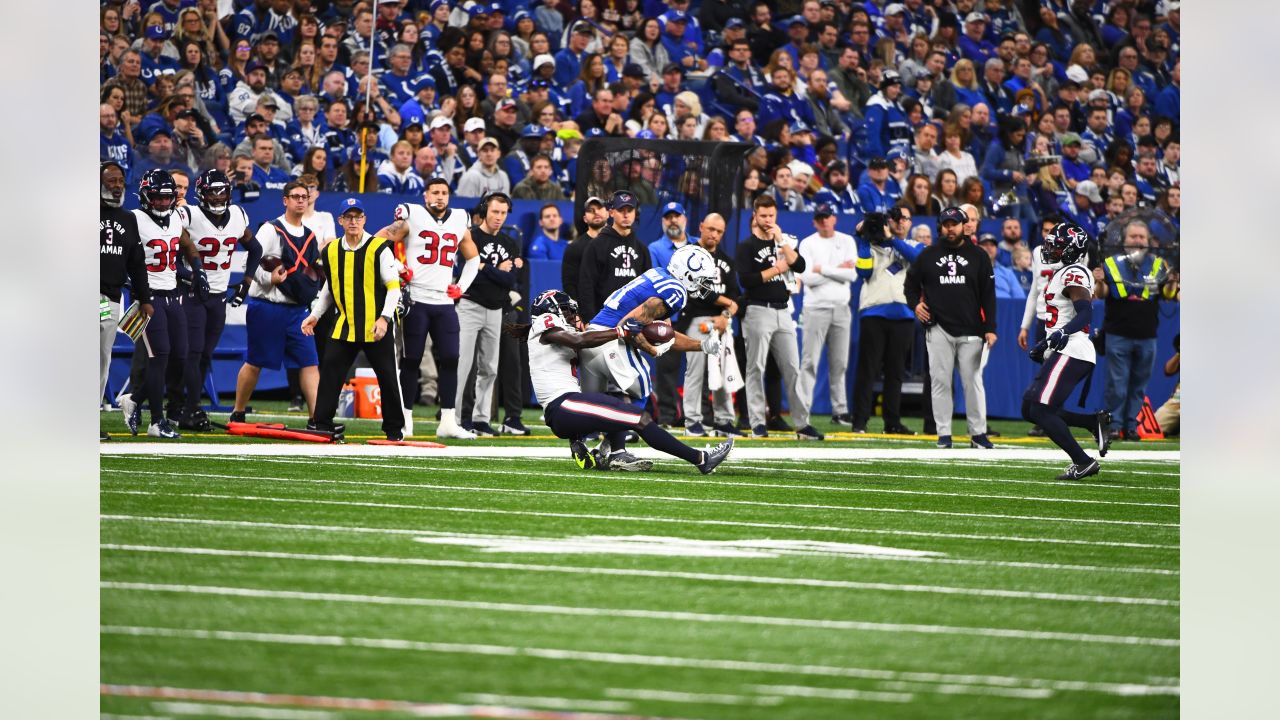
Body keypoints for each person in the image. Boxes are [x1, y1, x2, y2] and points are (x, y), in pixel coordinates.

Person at [511, 289, 733, 474]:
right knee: (640, 419)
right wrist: (619, 331)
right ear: (552, 311)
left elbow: (586, 346)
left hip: (570, 407)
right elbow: (579, 339)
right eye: (568, 311)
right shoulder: (544, 322)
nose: (573, 315)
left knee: (619, 400)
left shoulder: (553, 333)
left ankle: (609, 451)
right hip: (563, 406)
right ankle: (701, 459)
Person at [375, 178, 483, 440]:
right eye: (435, 192)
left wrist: (463, 284)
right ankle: (405, 420)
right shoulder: (412, 216)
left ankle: (447, 421)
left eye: (444, 192)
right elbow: (378, 241)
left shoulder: (459, 218)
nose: (440, 197)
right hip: (417, 300)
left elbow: (473, 257)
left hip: (444, 302)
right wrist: (399, 268)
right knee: (411, 360)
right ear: (425, 196)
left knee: (451, 359)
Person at [301, 198, 406, 440]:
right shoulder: (331, 250)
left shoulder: (379, 248)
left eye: (358, 217)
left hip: (374, 326)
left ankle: (394, 430)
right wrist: (315, 315)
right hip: (345, 325)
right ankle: (322, 423)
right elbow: (330, 286)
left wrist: (384, 319)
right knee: (330, 374)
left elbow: (393, 288)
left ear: (365, 220)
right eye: (348, 217)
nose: (353, 221)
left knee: (388, 377)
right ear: (340, 221)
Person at [169, 170, 262, 432]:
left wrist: (246, 283)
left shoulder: (237, 215)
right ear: (202, 193)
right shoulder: (188, 214)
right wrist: (188, 275)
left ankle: (185, 406)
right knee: (193, 351)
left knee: (204, 354)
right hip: (191, 293)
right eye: (213, 191)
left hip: (218, 295)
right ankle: (189, 407)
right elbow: (171, 250)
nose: (219, 196)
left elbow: (255, 249)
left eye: (222, 191)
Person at [119, 169, 206, 439]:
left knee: (180, 356)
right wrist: (130, 284)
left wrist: (197, 270)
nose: (163, 203)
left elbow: (187, 246)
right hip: (149, 298)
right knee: (160, 357)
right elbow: (121, 256)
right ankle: (157, 421)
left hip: (173, 294)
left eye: (167, 198)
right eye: (157, 198)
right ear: (146, 196)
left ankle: (134, 398)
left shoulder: (176, 217)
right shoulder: (134, 218)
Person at [1022, 222, 1113, 479]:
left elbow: (1085, 312)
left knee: (1040, 410)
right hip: (1063, 348)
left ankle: (1083, 461)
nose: (1050, 248)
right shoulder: (1060, 273)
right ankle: (1091, 422)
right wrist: (1045, 344)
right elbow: (1059, 319)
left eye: (1057, 245)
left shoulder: (1074, 272)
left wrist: (1062, 333)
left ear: (1072, 250)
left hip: (1073, 349)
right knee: (1029, 409)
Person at [228, 181, 321, 425]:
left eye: (304, 196)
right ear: (285, 200)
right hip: (267, 306)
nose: (301, 200)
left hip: (297, 309)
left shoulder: (311, 236)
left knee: (310, 362)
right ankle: (238, 411)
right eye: (295, 196)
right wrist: (268, 278)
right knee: (255, 361)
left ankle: (316, 418)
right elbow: (251, 260)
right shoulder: (270, 229)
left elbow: (314, 272)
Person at [905, 206, 997, 449]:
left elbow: (988, 295)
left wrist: (991, 328)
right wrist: (915, 305)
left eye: (954, 223)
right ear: (940, 226)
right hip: (938, 328)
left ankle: (978, 433)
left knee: (973, 382)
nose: (950, 228)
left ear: (963, 225)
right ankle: (943, 434)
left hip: (972, 328)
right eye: (946, 224)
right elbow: (910, 286)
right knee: (940, 382)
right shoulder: (927, 255)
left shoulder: (979, 255)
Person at [736, 195, 820, 440]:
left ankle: (802, 424)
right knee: (755, 368)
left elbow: (801, 265)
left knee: (793, 368)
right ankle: (757, 423)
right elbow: (746, 281)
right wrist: (777, 269)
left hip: (783, 310)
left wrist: (781, 240)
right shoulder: (747, 246)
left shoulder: (782, 243)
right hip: (757, 309)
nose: (767, 220)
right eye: (763, 215)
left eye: (771, 215)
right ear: (755, 215)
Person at [1099, 220, 1176, 441]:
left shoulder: (1159, 265)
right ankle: (1113, 425)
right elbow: (1102, 292)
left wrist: (1172, 283)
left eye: (1142, 237)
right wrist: (1098, 281)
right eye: (1133, 237)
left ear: (1149, 241)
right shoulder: (1110, 263)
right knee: (1117, 384)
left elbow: (1168, 296)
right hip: (1118, 332)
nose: (1138, 241)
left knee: (1139, 385)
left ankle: (1131, 426)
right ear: (1124, 241)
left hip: (1147, 335)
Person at [850, 207, 924, 434]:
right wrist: (863, 240)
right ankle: (860, 422)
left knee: (896, 371)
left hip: (903, 315)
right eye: (896, 219)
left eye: (905, 219)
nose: (900, 222)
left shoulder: (914, 246)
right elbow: (863, 273)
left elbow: (919, 262)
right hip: (873, 313)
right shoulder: (870, 245)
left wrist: (891, 240)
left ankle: (892, 422)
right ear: (888, 221)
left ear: (910, 223)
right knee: (867, 370)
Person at [454, 192, 522, 437]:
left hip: (496, 309)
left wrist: (484, 266)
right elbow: (467, 270)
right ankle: (455, 416)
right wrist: (494, 269)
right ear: (485, 210)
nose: (499, 217)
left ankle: (481, 419)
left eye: (503, 213)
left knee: (489, 368)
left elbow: (510, 279)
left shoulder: (509, 242)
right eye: (495, 211)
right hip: (470, 304)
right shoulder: (470, 235)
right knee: (462, 365)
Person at [679, 213, 740, 438]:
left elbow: (737, 295)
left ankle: (724, 421)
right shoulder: (688, 255)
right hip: (697, 320)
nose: (714, 234)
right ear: (701, 226)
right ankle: (692, 421)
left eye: (719, 231)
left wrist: (725, 315)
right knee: (695, 371)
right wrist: (728, 304)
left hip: (722, 323)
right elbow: (696, 291)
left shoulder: (727, 260)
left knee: (724, 370)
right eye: (711, 229)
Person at [797, 204, 857, 430]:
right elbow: (807, 278)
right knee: (809, 361)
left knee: (840, 363)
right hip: (815, 307)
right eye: (820, 218)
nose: (824, 221)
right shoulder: (808, 243)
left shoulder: (847, 241)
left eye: (827, 217)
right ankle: (803, 410)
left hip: (841, 308)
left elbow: (851, 274)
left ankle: (840, 410)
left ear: (835, 218)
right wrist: (836, 269)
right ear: (814, 221)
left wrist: (821, 268)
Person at [99, 162, 152, 421]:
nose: (117, 186)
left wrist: (144, 297)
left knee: (101, 359)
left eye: (120, 181)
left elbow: (136, 262)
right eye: (111, 181)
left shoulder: (128, 219)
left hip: (110, 298)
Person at [646, 201, 694, 426]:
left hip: (695, 314)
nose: (673, 220)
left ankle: (698, 415)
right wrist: (662, 315)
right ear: (662, 221)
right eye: (668, 217)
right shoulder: (655, 248)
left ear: (685, 219)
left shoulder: (696, 246)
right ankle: (666, 416)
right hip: (669, 315)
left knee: (697, 366)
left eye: (677, 216)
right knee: (666, 368)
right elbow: (655, 283)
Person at [577, 190, 652, 324]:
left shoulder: (642, 249)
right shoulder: (596, 245)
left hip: (634, 320)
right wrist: (589, 319)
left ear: (635, 213)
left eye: (630, 210)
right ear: (611, 212)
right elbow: (586, 286)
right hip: (603, 319)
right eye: (621, 210)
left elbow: (648, 288)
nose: (625, 214)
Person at [562, 196, 607, 299]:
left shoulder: (616, 244)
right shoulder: (574, 248)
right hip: (586, 308)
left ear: (608, 213)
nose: (596, 212)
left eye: (599, 208)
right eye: (590, 210)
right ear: (585, 219)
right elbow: (569, 285)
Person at [979, 233, 1027, 299]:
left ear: (997, 250)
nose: (989, 247)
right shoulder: (970, 270)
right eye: (984, 245)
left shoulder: (1007, 273)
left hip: (1005, 307)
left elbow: (1020, 299)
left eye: (992, 245)